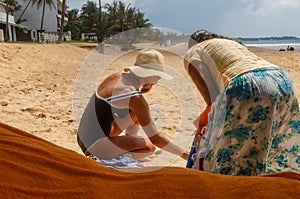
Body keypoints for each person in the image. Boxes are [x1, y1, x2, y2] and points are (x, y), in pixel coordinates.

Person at [184, 29, 300, 175]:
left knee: (231, 157)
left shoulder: (194, 51)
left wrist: (202, 127)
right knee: (275, 147)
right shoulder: (231, 44)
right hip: (283, 79)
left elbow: (213, 100)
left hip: (247, 84)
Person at [77, 48, 189, 161]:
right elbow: (156, 138)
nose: (158, 80)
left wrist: (144, 87)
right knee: (149, 147)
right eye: (158, 76)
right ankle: (119, 159)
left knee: (135, 113)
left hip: (83, 138)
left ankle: (126, 147)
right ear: (149, 74)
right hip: (94, 146)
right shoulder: (135, 98)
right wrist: (183, 153)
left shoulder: (118, 77)